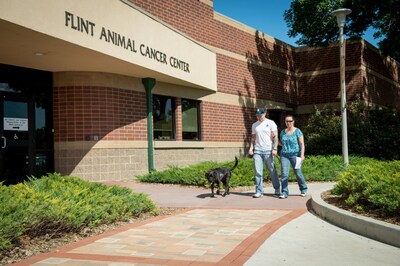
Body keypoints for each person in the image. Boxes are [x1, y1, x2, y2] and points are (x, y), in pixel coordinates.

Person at [248, 107, 280, 198]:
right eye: (257, 115)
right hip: (257, 150)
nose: (259, 117)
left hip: (268, 150)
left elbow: (275, 137)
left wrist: (275, 148)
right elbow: (253, 138)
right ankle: (259, 191)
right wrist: (251, 148)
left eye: (260, 115)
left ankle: (277, 188)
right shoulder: (254, 125)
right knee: (258, 172)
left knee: (272, 171)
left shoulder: (271, 123)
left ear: (265, 113)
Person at [278, 115, 308, 199]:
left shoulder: (297, 131)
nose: (288, 123)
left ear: (293, 121)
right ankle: (284, 192)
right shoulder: (283, 132)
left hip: (296, 155)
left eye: (290, 121)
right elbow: (282, 143)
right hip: (284, 155)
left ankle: (303, 189)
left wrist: (302, 155)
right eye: (286, 121)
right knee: (284, 174)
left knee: (298, 173)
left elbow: (302, 144)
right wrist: (276, 142)